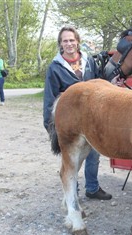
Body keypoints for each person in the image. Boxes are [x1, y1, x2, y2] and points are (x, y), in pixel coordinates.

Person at [43, 25, 112, 200]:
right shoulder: (55, 67)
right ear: (60, 44)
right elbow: (49, 97)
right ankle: (74, 191)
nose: (69, 44)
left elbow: (99, 84)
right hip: (69, 121)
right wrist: (49, 124)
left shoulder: (89, 62)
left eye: (72, 40)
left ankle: (92, 187)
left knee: (94, 155)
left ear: (78, 41)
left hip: (91, 118)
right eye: (65, 41)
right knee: (73, 158)